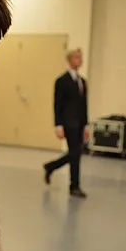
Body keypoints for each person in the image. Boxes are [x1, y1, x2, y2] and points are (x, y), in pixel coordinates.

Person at [43, 48, 89, 198]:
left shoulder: (82, 81)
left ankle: (51, 166)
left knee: (76, 153)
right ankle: (74, 186)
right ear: (70, 60)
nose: (80, 60)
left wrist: (86, 125)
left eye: (80, 57)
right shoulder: (61, 81)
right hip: (68, 123)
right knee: (76, 153)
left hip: (80, 123)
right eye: (77, 57)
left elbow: (84, 105)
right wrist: (58, 125)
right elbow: (57, 104)